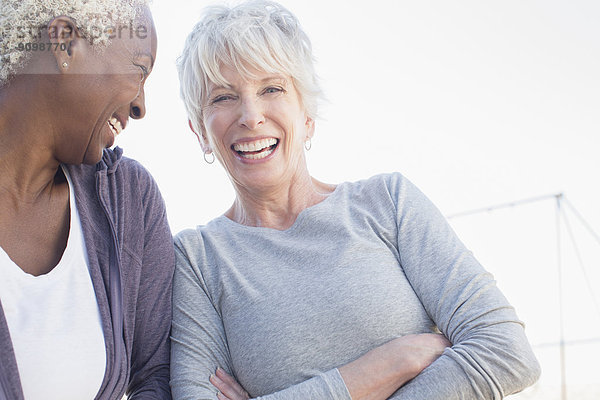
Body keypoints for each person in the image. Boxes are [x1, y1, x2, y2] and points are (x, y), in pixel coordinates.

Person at [171, 1, 541, 399]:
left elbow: (507, 352)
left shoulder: (388, 203)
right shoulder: (197, 260)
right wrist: (388, 364)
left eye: (271, 88)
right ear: (200, 132)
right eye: (223, 97)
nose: (250, 115)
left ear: (306, 113)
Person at [0, 1, 174, 399]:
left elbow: (158, 375)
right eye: (139, 69)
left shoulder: (129, 201)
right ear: (64, 44)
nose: (140, 105)